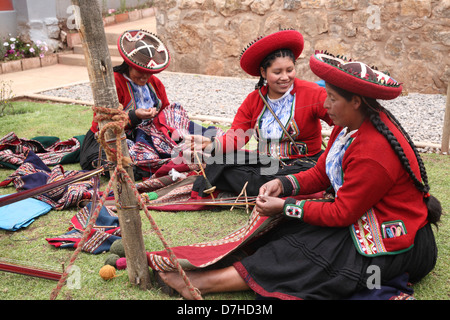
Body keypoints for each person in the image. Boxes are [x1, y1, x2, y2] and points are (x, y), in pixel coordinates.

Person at [156, 51, 441, 300]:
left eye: (331, 98)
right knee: (285, 227)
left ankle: (202, 284)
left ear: (356, 101)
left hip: (396, 241)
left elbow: (342, 213)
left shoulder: (374, 150)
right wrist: (283, 184)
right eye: (276, 72)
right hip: (355, 212)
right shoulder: (347, 127)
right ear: (264, 75)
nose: (325, 105)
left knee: (306, 249)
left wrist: (286, 205)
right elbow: (320, 172)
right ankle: (228, 269)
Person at [191, 29, 333, 196]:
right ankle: (281, 190)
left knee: (305, 177)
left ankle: (282, 188)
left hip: (304, 164)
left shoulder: (312, 93)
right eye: (277, 72)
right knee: (218, 163)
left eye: (290, 70)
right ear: (264, 73)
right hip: (265, 163)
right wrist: (212, 144)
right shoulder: (254, 100)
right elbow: (237, 135)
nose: (285, 77)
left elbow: (340, 121)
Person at [80, 29, 219, 180]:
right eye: (140, 72)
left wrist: (161, 123)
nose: (145, 77)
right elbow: (105, 122)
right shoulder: (114, 83)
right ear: (128, 65)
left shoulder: (155, 83)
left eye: (149, 72)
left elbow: (166, 112)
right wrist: (134, 116)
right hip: (113, 137)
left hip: (150, 135)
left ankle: (211, 144)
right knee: (117, 164)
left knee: (182, 128)